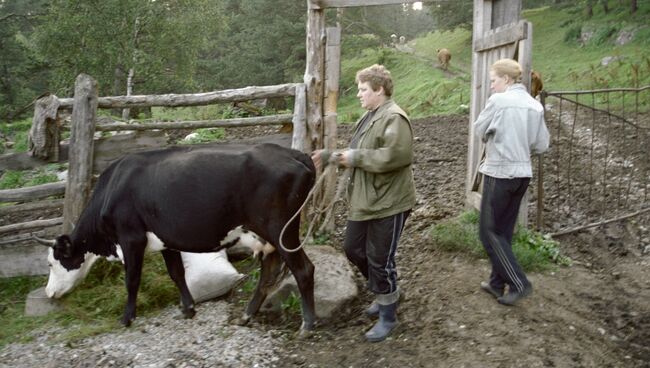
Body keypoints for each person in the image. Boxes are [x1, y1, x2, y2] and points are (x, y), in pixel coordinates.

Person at [311, 64, 416, 342]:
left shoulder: (395, 117)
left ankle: (388, 316)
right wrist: (332, 155)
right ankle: (385, 292)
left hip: (389, 202)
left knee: (380, 260)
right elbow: (358, 152)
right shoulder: (370, 116)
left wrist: (354, 158)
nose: (359, 95)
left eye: (363, 90)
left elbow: (395, 156)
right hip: (366, 200)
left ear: (379, 90)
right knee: (353, 249)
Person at [473, 58, 550, 306]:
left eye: (493, 81)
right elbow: (541, 145)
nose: (492, 86)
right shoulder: (534, 105)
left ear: (506, 79)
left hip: (499, 173)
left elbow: (480, 131)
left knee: (487, 232)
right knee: (503, 231)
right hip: (522, 174)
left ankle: (519, 283)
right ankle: (497, 284)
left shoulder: (498, 101)